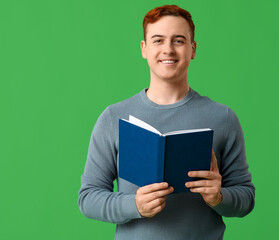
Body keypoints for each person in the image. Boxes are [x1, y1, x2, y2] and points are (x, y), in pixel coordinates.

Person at [78, 5, 255, 239]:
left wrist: (219, 197)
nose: (168, 50)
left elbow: (246, 198)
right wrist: (135, 205)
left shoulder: (222, 117)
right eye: (158, 40)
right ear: (144, 48)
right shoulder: (113, 117)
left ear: (192, 49)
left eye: (179, 41)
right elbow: (88, 197)